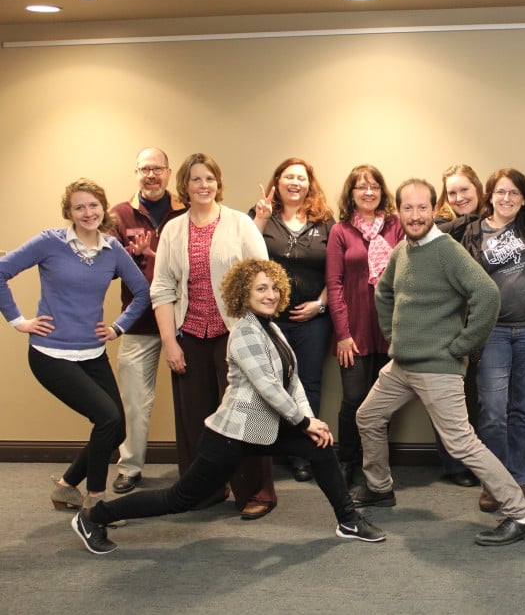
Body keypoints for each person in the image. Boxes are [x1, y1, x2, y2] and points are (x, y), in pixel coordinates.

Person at [71, 259, 385, 555]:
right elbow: (268, 386)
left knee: (320, 447)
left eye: (274, 288)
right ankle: (95, 516)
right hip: (231, 433)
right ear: (243, 293)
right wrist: (304, 423)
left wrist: (310, 421)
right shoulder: (244, 332)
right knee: (180, 498)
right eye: (261, 289)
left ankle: (348, 519)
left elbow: (292, 381)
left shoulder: (271, 328)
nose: (270, 294)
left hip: (265, 428)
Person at [353, 178, 525, 546]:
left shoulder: (446, 250)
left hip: (438, 365)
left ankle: (521, 515)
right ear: (399, 211)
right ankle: (380, 487)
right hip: (402, 365)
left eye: (423, 208)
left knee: (462, 443)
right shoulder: (402, 252)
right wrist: (395, 336)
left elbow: (487, 293)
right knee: (368, 416)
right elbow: (385, 292)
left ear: (433, 210)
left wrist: (464, 344)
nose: (416, 215)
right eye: (408, 207)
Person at [444, 81, 525, 511]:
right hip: (491, 334)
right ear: (488, 197)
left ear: (523, 199)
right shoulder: (468, 231)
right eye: (501, 192)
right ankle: (493, 482)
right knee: (492, 413)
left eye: (515, 192)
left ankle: (518, 480)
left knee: (522, 411)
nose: (507, 197)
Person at [0, 179, 149, 511]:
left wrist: (118, 327)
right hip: (51, 354)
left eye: (93, 205)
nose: (87, 212)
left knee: (116, 428)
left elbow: (142, 292)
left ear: (103, 208)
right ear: (68, 212)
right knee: (107, 418)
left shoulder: (112, 248)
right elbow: (1, 272)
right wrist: (19, 321)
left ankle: (67, 486)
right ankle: (95, 502)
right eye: (79, 207)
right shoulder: (49, 243)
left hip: (92, 353)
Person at [151, 152, 277, 520]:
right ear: (185, 186)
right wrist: (170, 342)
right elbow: (161, 288)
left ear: (218, 184)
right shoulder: (173, 229)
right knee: (195, 419)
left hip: (234, 334)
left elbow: (263, 279)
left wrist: (258, 337)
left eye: (209, 179)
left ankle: (256, 491)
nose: (203, 185)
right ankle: (201, 489)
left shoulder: (240, 224)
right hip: (189, 334)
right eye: (195, 179)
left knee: (244, 415)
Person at [109, 148, 189, 494]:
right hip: (138, 324)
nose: (151, 175)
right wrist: (132, 256)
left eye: (157, 169)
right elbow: (105, 268)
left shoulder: (186, 211)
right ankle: (130, 468)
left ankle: (196, 468)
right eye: (145, 169)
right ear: (136, 172)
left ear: (169, 172)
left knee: (194, 401)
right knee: (134, 403)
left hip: (184, 323)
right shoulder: (119, 215)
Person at [251, 157, 335, 483]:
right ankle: (265, 453)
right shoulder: (261, 215)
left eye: (301, 178)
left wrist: (320, 304)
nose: (295, 183)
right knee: (268, 386)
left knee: (309, 386)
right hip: (270, 320)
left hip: (313, 320)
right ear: (278, 181)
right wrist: (259, 218)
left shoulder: (325, 221)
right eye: (289, 177)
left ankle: (303, 452)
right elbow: (247, 258)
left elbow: (336, 270)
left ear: (309, 184)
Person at [326, 164, 404, 487]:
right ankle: (347, 459)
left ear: (382, 192)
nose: (368, 192)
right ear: (352, 194)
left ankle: (377, 464)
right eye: (361, 187)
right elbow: (334, 284)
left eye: (374, 186)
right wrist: (343, 335)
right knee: (353, 399)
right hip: (354, 331)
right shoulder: (341, 232)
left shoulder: (396, 227)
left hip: (389, 330)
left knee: (383, 403)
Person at [430, 163, 487, 487]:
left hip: (483, 322)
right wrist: (473, 220)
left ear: (477, 189)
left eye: (465, 189)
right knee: (448, 397)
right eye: (452, 192)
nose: (459, 196)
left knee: (479, 397)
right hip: (447, 323)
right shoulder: (439, 223)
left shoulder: (492, 223)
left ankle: (478, 462)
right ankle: (453, 465)